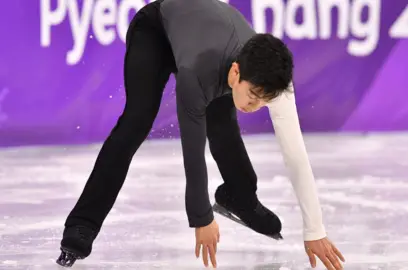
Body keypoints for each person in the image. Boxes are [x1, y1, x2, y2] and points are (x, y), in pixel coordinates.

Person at [56, 0, 345, 269]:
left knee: (224, 125)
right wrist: (201, 217)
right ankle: (83, 223)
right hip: (156, 33)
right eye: (253, 95)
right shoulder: (197, 73)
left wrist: (314, 229)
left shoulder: (277, 84)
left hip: (208, 46)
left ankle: (239, 197)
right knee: (136, 123)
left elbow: (295, 155)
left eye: (264, 101)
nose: (256, 106)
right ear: (236, 73)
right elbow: (193, 151)